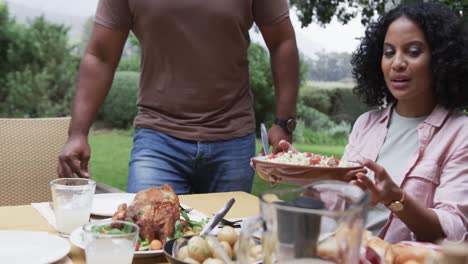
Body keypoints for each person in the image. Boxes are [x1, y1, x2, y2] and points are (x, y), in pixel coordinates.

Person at [57, 0, 299, 194]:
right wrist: (78, 133)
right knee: (150, 240)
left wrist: (284, 123)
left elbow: (282, 41)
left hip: (232, 141)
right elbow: (100, 56)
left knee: (227, 245)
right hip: (158, 140)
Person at [343, 2, 468, 243]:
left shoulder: (460, 134)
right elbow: (334, 202)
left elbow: (453, 231)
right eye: (389, 52)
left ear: (440, 59)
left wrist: (397, 199)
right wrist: (300, 170)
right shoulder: (365, 124)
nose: (397, 63)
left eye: (412, 51)